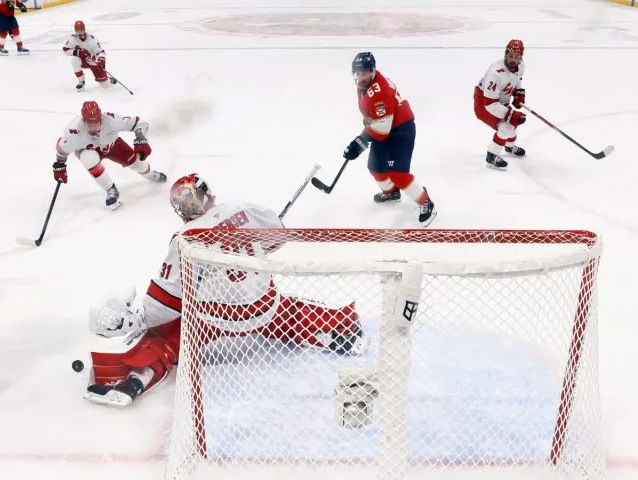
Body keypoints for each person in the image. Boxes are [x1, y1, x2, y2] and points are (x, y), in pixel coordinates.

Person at [83, 173, 365, 407]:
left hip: (216, 317)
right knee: (291, 312)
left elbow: (166, 302)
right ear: (207, 194)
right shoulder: (240, 208)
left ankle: (135, 381)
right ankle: (339, 331)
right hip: (265, 305)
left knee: (165, 336)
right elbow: (278, 238)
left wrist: (139, 319)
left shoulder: (185, 237)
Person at [342, 51, 436, 226]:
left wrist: (360, 141)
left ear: (372, 71)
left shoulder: (380, 92)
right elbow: (376, 121)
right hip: (385, 125)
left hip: (401, 130)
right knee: (376, 168)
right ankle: (392, 193)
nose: (360, 77)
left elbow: (383, 129)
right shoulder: (365, 85)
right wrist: (361, 139)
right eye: (358, 73)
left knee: (397, 173)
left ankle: (426, 202)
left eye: (364, 73)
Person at [53, 100, 167, 209]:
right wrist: (60, 166)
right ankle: (110, 189)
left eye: (95, 122)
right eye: (89, 123)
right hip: (87, 151)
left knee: (138, 165)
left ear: (101, 119)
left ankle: (149, 174)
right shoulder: (73, 131)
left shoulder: (111, 120)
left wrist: (141, 138)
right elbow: (61, 149)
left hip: (112, 145)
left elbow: (138, 123)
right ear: (82, 120)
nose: (92, 127)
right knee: (89, 160)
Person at [474, 39, 527, 170]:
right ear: (505, 54)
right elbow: (490, 104)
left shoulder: (521, 66)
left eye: (516, 56)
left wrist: (518, 92)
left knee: (512, 123)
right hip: (484, 103)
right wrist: (511, 114)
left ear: (521, 57)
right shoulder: (495, 72)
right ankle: (491, 156)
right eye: (510, 56)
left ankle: (509, 146)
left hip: (500, 100)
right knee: (506, 127)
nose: (513, 59)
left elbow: (517, 78)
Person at [62, 20, 115, 91]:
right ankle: (81, 81)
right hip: (83, 61)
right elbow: (66, 49)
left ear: (84, 29)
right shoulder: (72, 39)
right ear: (75, 31)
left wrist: (101, 61)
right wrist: (78, 52)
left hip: (93, 61)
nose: (80, 32)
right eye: (78, 31)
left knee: (105, 85)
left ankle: (108, 80)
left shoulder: (92, 38)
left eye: (81, 30)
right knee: (74, 60)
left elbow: (100, 51)